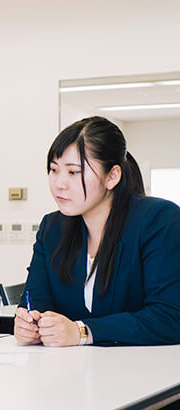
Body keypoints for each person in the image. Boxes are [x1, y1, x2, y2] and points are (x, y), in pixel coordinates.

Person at [15, 116, 180, 346]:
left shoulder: (158, 220)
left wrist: (82, 331)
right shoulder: (52, 228)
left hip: (144, 373)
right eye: (54, 170)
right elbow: (36, 303)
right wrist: (28, 324)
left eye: (73, 172)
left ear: (112, 176)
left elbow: (170, 317)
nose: (59, 183)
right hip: (69, 372)